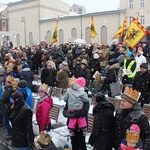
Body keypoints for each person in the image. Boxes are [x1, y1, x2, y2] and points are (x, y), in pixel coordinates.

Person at [63, 81, 90, 150]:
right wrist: (68, 114)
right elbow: (65, 111)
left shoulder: (85, 101)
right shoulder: (72, 98)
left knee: (81, 143)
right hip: (73, 125)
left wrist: (73, 115)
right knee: (74, 142)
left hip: (81, 126)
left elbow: (84, 112)